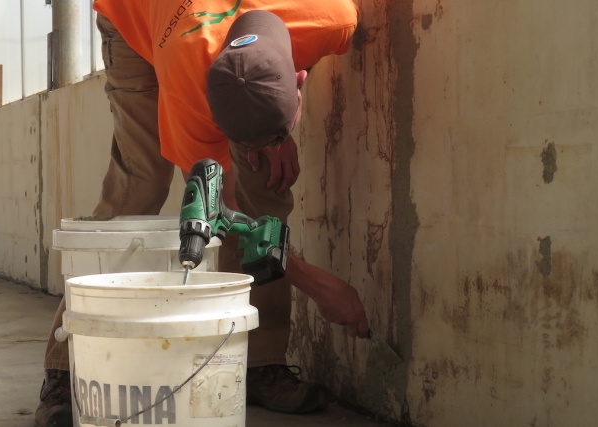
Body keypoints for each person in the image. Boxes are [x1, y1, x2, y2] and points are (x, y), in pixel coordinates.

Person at [36, 1, 369, 425]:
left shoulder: (333, 16)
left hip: (202, 35)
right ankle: (65, 369)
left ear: (298, 76)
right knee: (140, 187)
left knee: (266, 179)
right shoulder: (188, 85)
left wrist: (274, 126)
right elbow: (216, 213)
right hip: (137, 18)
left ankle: (259, 361)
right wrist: (318, 285)